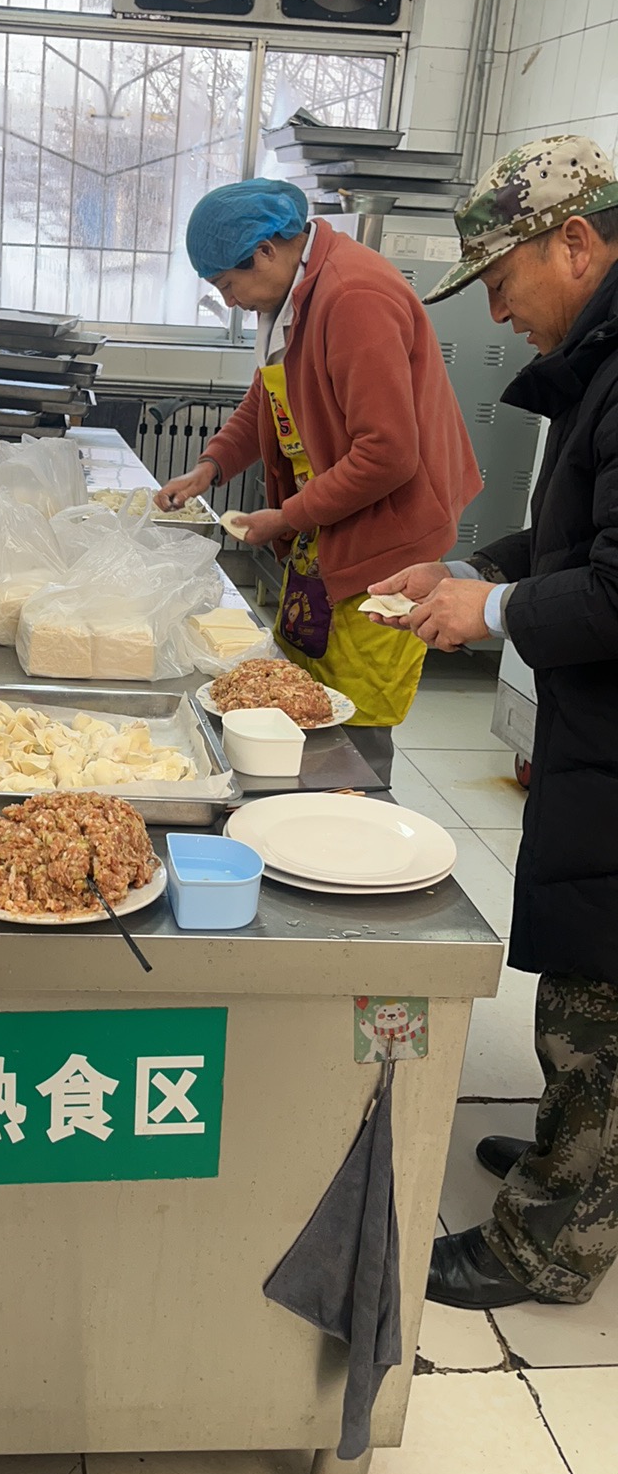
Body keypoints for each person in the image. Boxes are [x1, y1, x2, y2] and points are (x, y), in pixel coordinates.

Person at [367, 135, 618, 1310]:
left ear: (574, 243)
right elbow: (580, 532)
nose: (499, 312)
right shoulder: (598, 355)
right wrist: (471, 568)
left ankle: (551, 1243)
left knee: (601, 992)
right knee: (585, 967)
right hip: (597, 723)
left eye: (503, 281)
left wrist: (497, 611)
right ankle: (580, 1157)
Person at [156, 180, 480, 763]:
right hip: (331, 526)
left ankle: (354, 814)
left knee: (354, 730)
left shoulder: (353, 297)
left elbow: (387, 453)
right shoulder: (292, 297)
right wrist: (211, 465)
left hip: (385, 547)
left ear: (264, 252)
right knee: (304, 706)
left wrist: (285, 517)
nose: (230, 301)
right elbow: (269, 397)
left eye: (227, 285)